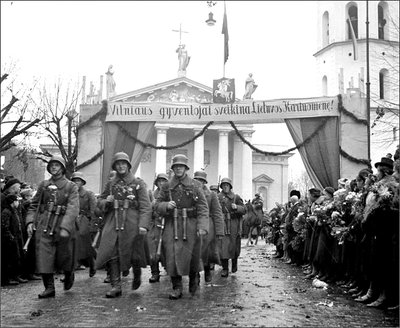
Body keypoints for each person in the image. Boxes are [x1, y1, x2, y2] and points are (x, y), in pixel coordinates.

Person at [95, 152, 152, 298]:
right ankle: (116, 285)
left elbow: (146, 206)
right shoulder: (111, 183)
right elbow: (99, 202)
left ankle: (137, 272)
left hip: (132, 221)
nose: (121, 166)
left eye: (123, 163)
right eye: (118, 164)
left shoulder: (138, 183)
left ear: (128, 165)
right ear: (115, 166)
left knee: (134, 253)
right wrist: (106, 201)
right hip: (114, 220)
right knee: (112, 251)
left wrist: (144, 225)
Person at [155, 154, 209, 299]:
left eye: (181, 166)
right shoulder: (166, 186)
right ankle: (177, 287)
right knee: (171, 255)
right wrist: (166, 205)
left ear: (185, 168)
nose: (178, 169)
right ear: (172, 168)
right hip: (172, 225)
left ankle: (193, 279)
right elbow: (156, 205)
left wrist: (202, 226)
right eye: (176, 166)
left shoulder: (195, 185)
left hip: (190, 224)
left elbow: (203, 207)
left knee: (192, 255)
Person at [26, 156, 79, 298]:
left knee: (64, 256)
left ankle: (69, 274)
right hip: (45, 224)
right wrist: (30, 222)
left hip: (62, 224)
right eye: (52, 165)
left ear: (62, 168)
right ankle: (49, 287)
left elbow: (73, 208)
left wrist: (65, 227)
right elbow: (34, 205)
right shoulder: (44, 185)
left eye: (57, 165)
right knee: (44, 255)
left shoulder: (71, 186)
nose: (54, 167)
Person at [193, 171, 224, 283]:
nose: (199, 183)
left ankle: (207, 270)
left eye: (201, 181)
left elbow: (217, 213)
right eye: (196, 180)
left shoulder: (211, 195)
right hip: (194, 224)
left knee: (206, 251)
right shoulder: (190, 193)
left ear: (204, 182)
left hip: (209, 226)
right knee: (194, 250)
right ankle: (195, 274)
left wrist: (220, 231)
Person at [217, 177, 246, 277]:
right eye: (223, 185)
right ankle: (225, 268)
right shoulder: (217, 197)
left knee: (234, 245)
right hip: (222, 223)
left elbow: (244, 210)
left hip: (234, 223)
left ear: (230, 187)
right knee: (222, 246)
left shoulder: (236, 197)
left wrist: (237, 207)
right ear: (221, 187)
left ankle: (234, 263)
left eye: (227, 185)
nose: (225, 187)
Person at [71, 171, 98, 277]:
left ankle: (92, 263)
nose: (76, 182)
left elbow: (93, 210)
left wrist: (93, 224)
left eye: (78, 180)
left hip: (84, 220)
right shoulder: (69, 194)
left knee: (86, 244)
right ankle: (69, 272)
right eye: (74, 180)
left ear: (82, 182)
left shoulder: (89, 194)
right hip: (72, 219)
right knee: (69, 244)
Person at [147, 173, 169, 283]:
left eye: (164, 181)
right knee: (153, 248)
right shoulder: (152, 194)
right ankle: (155, 272)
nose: (161, 183)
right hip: (155, 224)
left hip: (167, 224)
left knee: (167, 248)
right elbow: (147, 210)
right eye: (159, 181)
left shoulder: (169, 194)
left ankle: (170, 269)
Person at [1, 194, 26, 286]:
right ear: (12, 202)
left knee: (17, 258)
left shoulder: (14, 211)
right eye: (16, 201)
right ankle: (9, 278)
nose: (18, 202)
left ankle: (16, 276)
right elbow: (4, 227)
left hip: (16, 237)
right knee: (10, 259)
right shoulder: (6, 212)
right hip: (9, 240)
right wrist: (10, 237)